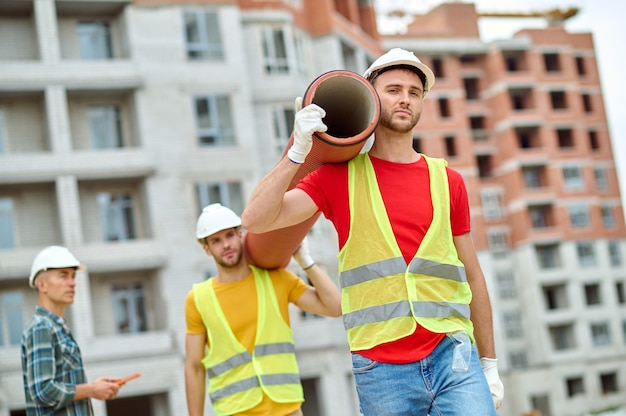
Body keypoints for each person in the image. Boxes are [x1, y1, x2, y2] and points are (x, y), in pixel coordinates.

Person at [241, 48, 504, 415]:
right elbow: (255, 219)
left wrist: (489, 363)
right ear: (373, 96)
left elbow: (473, 275)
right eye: (393, 88)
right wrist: (297, 152)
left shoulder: (448, 180)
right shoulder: (339, 178)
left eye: (414, 92)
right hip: (381, 368)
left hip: (453, 354)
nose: (404, 99)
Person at [184, 203, 341, 416]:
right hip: (235, 411)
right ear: (207, 248)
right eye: (216, 241)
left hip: (287, 408)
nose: (226, 245)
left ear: (240, 235)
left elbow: (335, 306)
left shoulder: (277, 280)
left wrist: (305, 261)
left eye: (229, 235)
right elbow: (194, 366)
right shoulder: (198, 298)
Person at [21, 245, 122, 415]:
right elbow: (43, 391)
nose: (72, 283)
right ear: (42, 285)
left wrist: (95, 387)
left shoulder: (57, 327)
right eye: (63, 276)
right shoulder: (41, 327)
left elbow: (61, 385)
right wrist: (91, 390)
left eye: (73, 276)